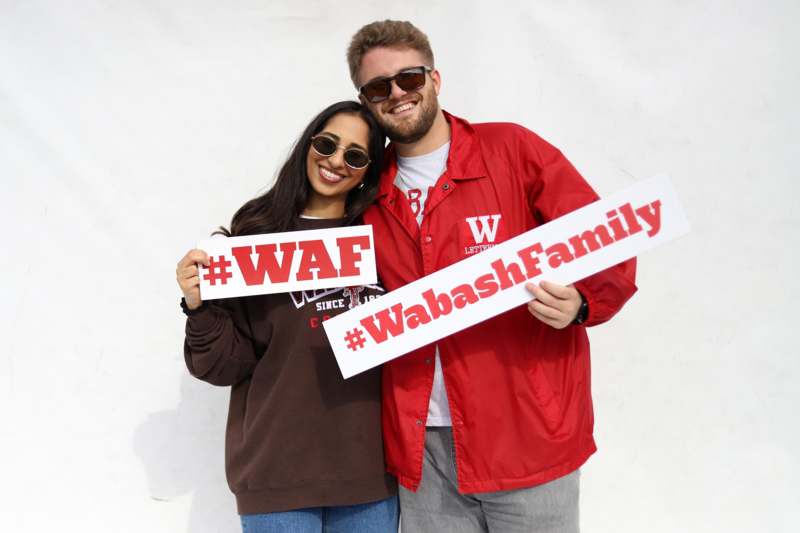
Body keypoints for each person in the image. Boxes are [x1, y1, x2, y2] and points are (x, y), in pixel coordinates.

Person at [346, 20, 638, 532]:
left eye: (409, 78)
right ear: (366, 101)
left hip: (525, 437)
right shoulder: (368, 194)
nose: (396, 94)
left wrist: (584, 302)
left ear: (435, 80)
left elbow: (605, 236)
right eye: (378, 87)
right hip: (424, 451)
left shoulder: (512, 151)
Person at [175, 100, 399, 533]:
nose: (335, 161)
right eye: (327, 143)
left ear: (368, 170)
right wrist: (197, 305)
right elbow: (224, 366)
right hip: (277, 476)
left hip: (369, 476)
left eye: (354, 155)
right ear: (308, 145)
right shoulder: (254, 241)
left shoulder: (384, 239)